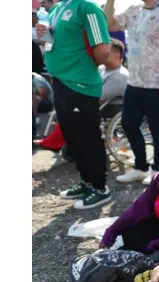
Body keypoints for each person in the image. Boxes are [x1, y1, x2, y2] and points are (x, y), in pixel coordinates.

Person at [37, 0, 112, 209]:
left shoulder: (87, 8)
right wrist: (44, 36)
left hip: (81, 83)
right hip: (60, 80)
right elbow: (50, 44)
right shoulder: (56, 9)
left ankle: (100, 187)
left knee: (87, 136)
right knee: (72, 137)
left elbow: (103, 50)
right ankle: (86, 181)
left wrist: (82, 69)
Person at [104, 0, 159, 185]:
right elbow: (109, 24)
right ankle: (140, 167)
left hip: (156, 83)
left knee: (156, 128)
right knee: (128, 123)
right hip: (134, 81)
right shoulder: (134, 10)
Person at [35, 40, 129, 151]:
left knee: (71, 113)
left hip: (107, 108)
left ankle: (56, 143)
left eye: (105, 52)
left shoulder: (120, 75)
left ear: (117, 54)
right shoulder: (102, 68)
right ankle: (59, 142)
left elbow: (99, 97)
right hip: (94, 103)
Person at [32, 73, 53, 141]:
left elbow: (43, 93)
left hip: (48, 103)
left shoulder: (37, 79)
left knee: (32, 97)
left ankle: (35, 118)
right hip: (42, 102)